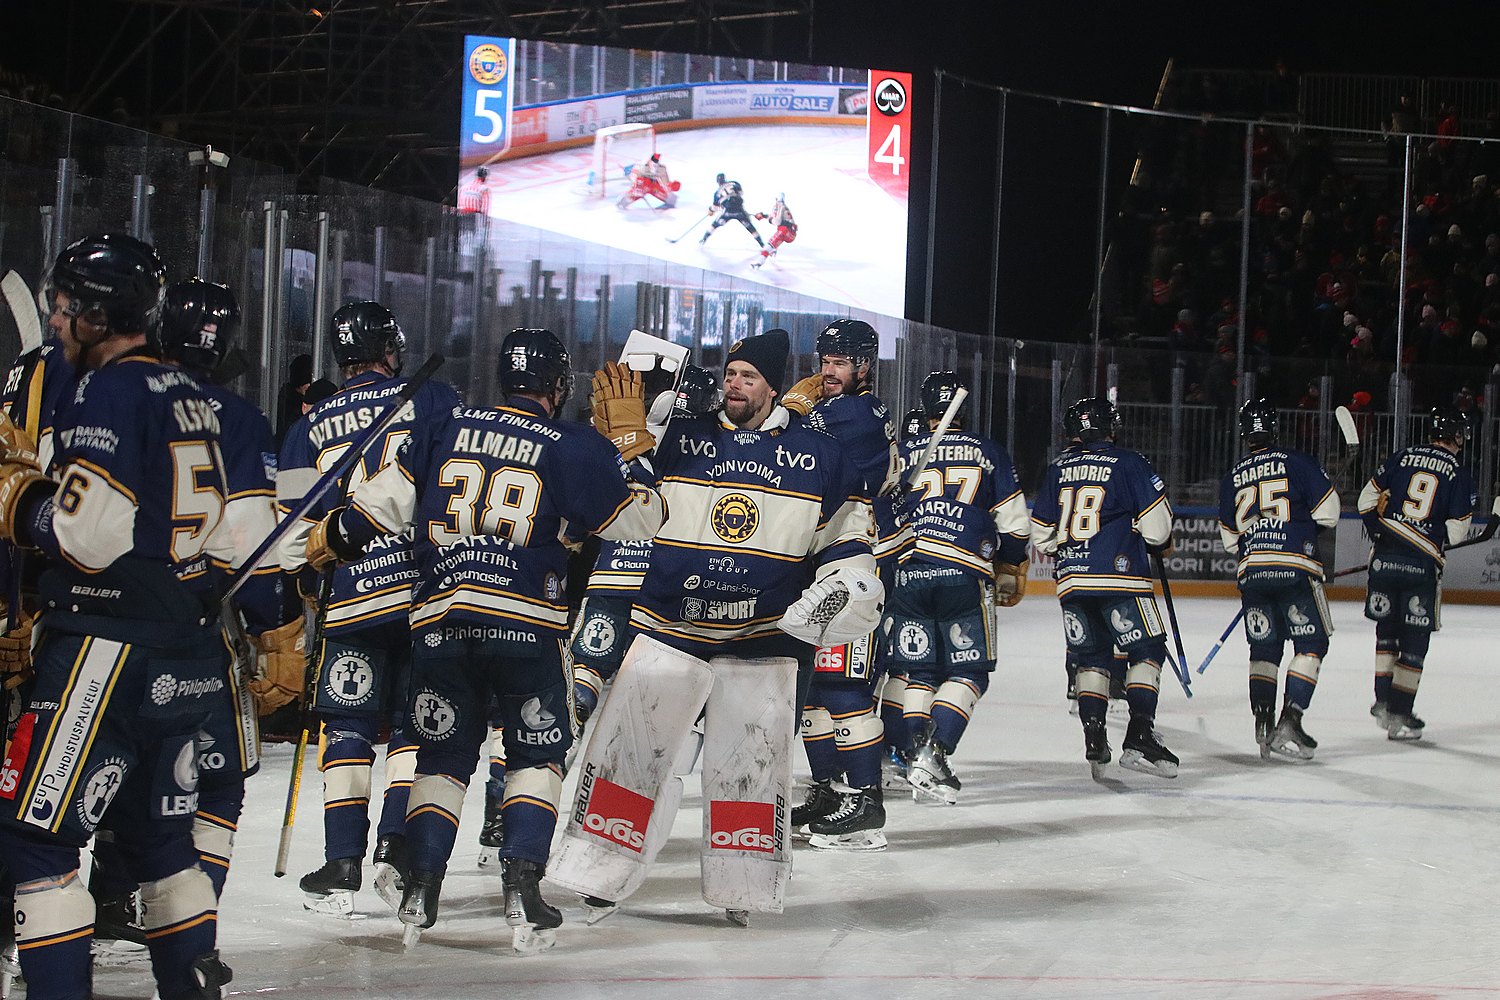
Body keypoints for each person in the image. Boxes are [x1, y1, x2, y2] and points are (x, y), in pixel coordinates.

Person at [301, 327, 666, 952]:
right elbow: (637, 523)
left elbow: (378, 506)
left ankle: (421, 884)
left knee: (441, 757)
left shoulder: (443, 425)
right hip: (526, 624)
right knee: (534, 754)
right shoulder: (571, 442)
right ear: (558, 385)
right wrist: (631, 450)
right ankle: (522, 885)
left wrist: (327, 543)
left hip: (439, 624)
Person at [548, 328, 881, 925]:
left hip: (762, 641)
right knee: (631, 757)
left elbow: (847, 543)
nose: (733, 384)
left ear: (774, 385)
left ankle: (743, 885)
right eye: (729, 374)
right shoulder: (680, 436)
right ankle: (600, 872)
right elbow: (622, 493)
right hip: (667, 626)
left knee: (748, 771)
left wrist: (845, 587)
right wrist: (622, 442)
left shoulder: (822, 455)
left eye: (748, 376)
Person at [0, 233, 233, 1000]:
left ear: (98, 315)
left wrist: (18, 498)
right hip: (185, 651)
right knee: (163, 844)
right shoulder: (189, 390)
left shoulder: (106, 389)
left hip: (106, 649)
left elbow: (90, 538)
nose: (58, 322)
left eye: (66, 309)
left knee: (36, 843)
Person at [277, 301, 460, 916]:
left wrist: (310, 579)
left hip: (351, 592)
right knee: (414, 725)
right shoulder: (433, 400)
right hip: (422, 590)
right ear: (390, 349)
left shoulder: (308, 424)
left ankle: (341, 859)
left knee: (348, 726)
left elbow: (289, 532)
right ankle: (396, 845)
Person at [883, 372, 1029, 804]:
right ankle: (936, 750)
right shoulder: (988, 451)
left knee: (920, 672)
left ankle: (912, 754)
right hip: (964, 570)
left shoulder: (903, 454)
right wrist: (1010, 564)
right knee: (970, 670)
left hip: (907, 572)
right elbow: (1016, 525)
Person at [779, 320, 898, 847]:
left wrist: (790, 410)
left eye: (840, 362)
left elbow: (791, 444)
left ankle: (866, 800)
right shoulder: (835, 408)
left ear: (864, 367)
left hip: (850, 564)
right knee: (812, 690)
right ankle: (830, 788)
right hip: (818, 560)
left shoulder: (858, 411)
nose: (828, 371)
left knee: (844, 685)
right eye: (824, 361)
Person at [1030, 397, 1179, 778]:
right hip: (1121, 576)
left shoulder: (1058, 467)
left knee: (1092, 659)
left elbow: (1042, 538)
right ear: (1112, 427)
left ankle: (1094, 737)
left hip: (1072, 581)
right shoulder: (1129, 462)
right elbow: (1158, 530)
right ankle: (1140, 735)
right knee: (1147, 650)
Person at [1217, 399, 1341, 760]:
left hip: (1253, 571)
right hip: (1295, 568)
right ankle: (1291, 719)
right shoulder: (1298, 462)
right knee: (1312, 644)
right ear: (1275, 427)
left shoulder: (1232, 476)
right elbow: (1330, 514)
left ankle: (1262, 721)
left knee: (1264, 649)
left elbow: (1229, 541)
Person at [1358, 406, 1478, 741]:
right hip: (1420, 567)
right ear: (1456, 435)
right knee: (1414, 641)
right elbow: (1454, 534)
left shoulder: (1400, 457)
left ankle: (1382, 699)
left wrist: (1380, 533)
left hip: (1383, 562)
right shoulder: (1457, 471)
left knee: (1386, 633)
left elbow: (1367, 501)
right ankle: (1399, 711)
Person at [698, 172, 766, 250]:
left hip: (727, 211)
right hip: (739, 210)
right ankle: (762, 244)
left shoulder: (717, 192)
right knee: (750, 227)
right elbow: (741, 193)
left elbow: (715, 207)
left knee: (714, 225)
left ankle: (704, 239)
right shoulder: (734, 183)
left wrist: (711, 210)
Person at [751, 194, 797, 269]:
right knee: (774, 241)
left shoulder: (779, 206)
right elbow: (778, 217)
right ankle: (773, 249)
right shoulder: (784, 206)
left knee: (768, 246)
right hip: (791, 233)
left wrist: (769, 219)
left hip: (785, 231)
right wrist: (764, 216)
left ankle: (758, 263)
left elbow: (777, 221)